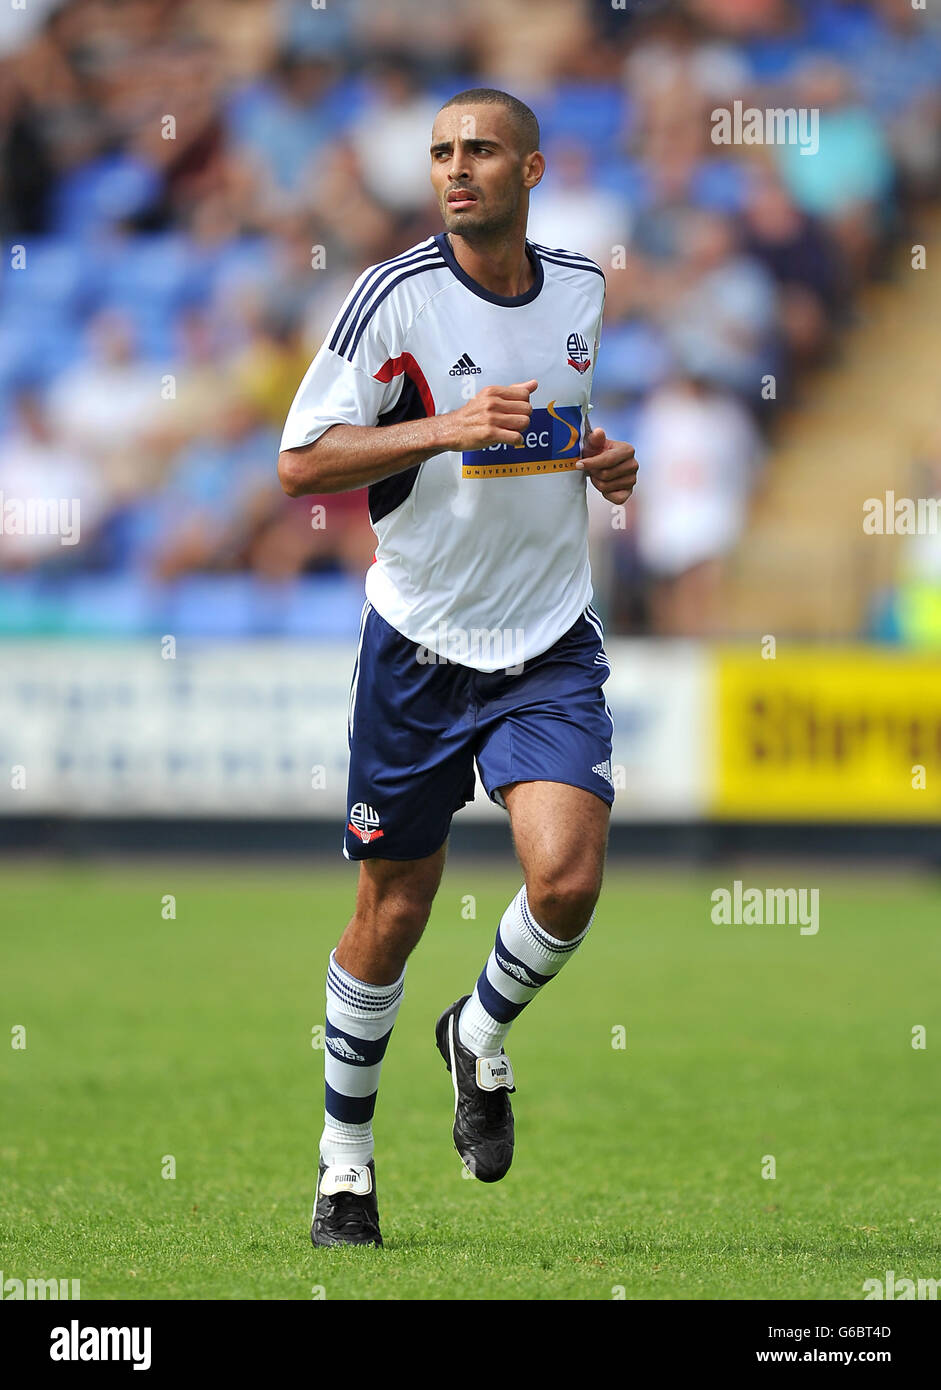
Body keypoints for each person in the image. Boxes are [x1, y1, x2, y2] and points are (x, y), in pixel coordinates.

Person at [278, 88, 638, 1247]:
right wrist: (441, 427)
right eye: (440, 152)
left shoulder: (580, 284)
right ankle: (344, 1165)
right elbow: (299, 463)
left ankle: (476, 1032)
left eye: (479, 150)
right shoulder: (390, 297)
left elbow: (547, 420)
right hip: (419, 649)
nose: (454, 168)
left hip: (544, 641)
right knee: (394, 907)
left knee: (568, 879)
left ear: (531, 170)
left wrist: (597, 455)